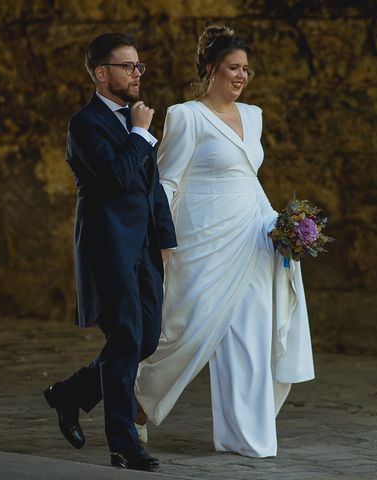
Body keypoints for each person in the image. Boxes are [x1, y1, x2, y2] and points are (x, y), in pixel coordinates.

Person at [134, 25, 315, 458]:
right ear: (211, 69)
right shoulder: (185, 115)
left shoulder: (253, 115)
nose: (241, 76)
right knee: (187, 332)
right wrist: (161, 236)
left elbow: (248, 178)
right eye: (233, 68)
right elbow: (168, 181)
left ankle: (246, 436)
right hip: (202, 241)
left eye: (246, 69)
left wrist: (283, 227)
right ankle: (137, 406)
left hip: (253, 237)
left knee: (252, 333)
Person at [43, 32, 176, 472]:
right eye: (127, 66)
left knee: (146, 336)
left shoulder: (134, 120)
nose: (137, 74)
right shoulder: (84, 124)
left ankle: (71, 393)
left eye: (139, 66)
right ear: (102, 74)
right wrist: (140, 132)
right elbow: (118, 176)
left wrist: (167, 239)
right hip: (109, 248)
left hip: (145, 247)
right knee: (123, 341)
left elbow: (149, 186)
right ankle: (123, 444)